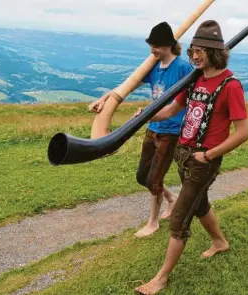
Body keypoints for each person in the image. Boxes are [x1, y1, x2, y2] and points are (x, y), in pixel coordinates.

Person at [134, 20, 248, 294]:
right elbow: (173, 108)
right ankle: (220, 242)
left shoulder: (231, 85)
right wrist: (148, 114)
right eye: (192, 51)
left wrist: (208, 155)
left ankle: (160, 278)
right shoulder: (196, 79)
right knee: (200, 205)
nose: (194, 56)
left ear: (215, 52)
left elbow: (242, 133)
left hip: (203, 160)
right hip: (182, 154)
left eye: (200, 51)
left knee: (179, 220)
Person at [89, 22, 193, 238]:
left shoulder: (183, 68)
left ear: (168, 46)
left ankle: (153, 222)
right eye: (151, 46)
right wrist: (103, 99)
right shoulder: (152, 66)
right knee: (142, 176)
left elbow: (191, 98)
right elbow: (127, 86)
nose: (152, 50)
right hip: (152, 126)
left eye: (156, 46)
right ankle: (170, 197)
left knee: (154, 179)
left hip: (171, 130)